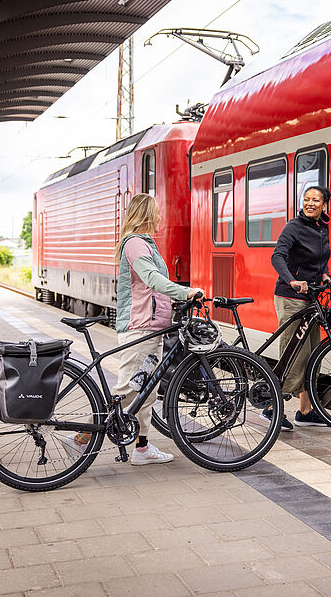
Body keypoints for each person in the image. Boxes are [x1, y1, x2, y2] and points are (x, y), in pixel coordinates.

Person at [64, 193, 202, 464]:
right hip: (140, 326)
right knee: (128, 388)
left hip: (151, 326)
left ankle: (142, 448)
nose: (161, 217)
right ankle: (79, 438)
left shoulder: (145, 244)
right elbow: (152, 279)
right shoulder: (136, 244)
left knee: (146, 392)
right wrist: (185, 292)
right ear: (147, 215)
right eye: (157, 212)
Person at [269, 185, 331, 429]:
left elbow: (319, 260)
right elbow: (278, 256)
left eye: (315, 200)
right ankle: (273, 409)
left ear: (324, 205)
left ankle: (305, 411)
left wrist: (325, 275)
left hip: (312, 298)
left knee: (312, 354)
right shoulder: (293, 226)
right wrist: (292, 281)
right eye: (306, 199)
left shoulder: (321, 227)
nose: (310, 203)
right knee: (293, 354)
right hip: (291, 297)